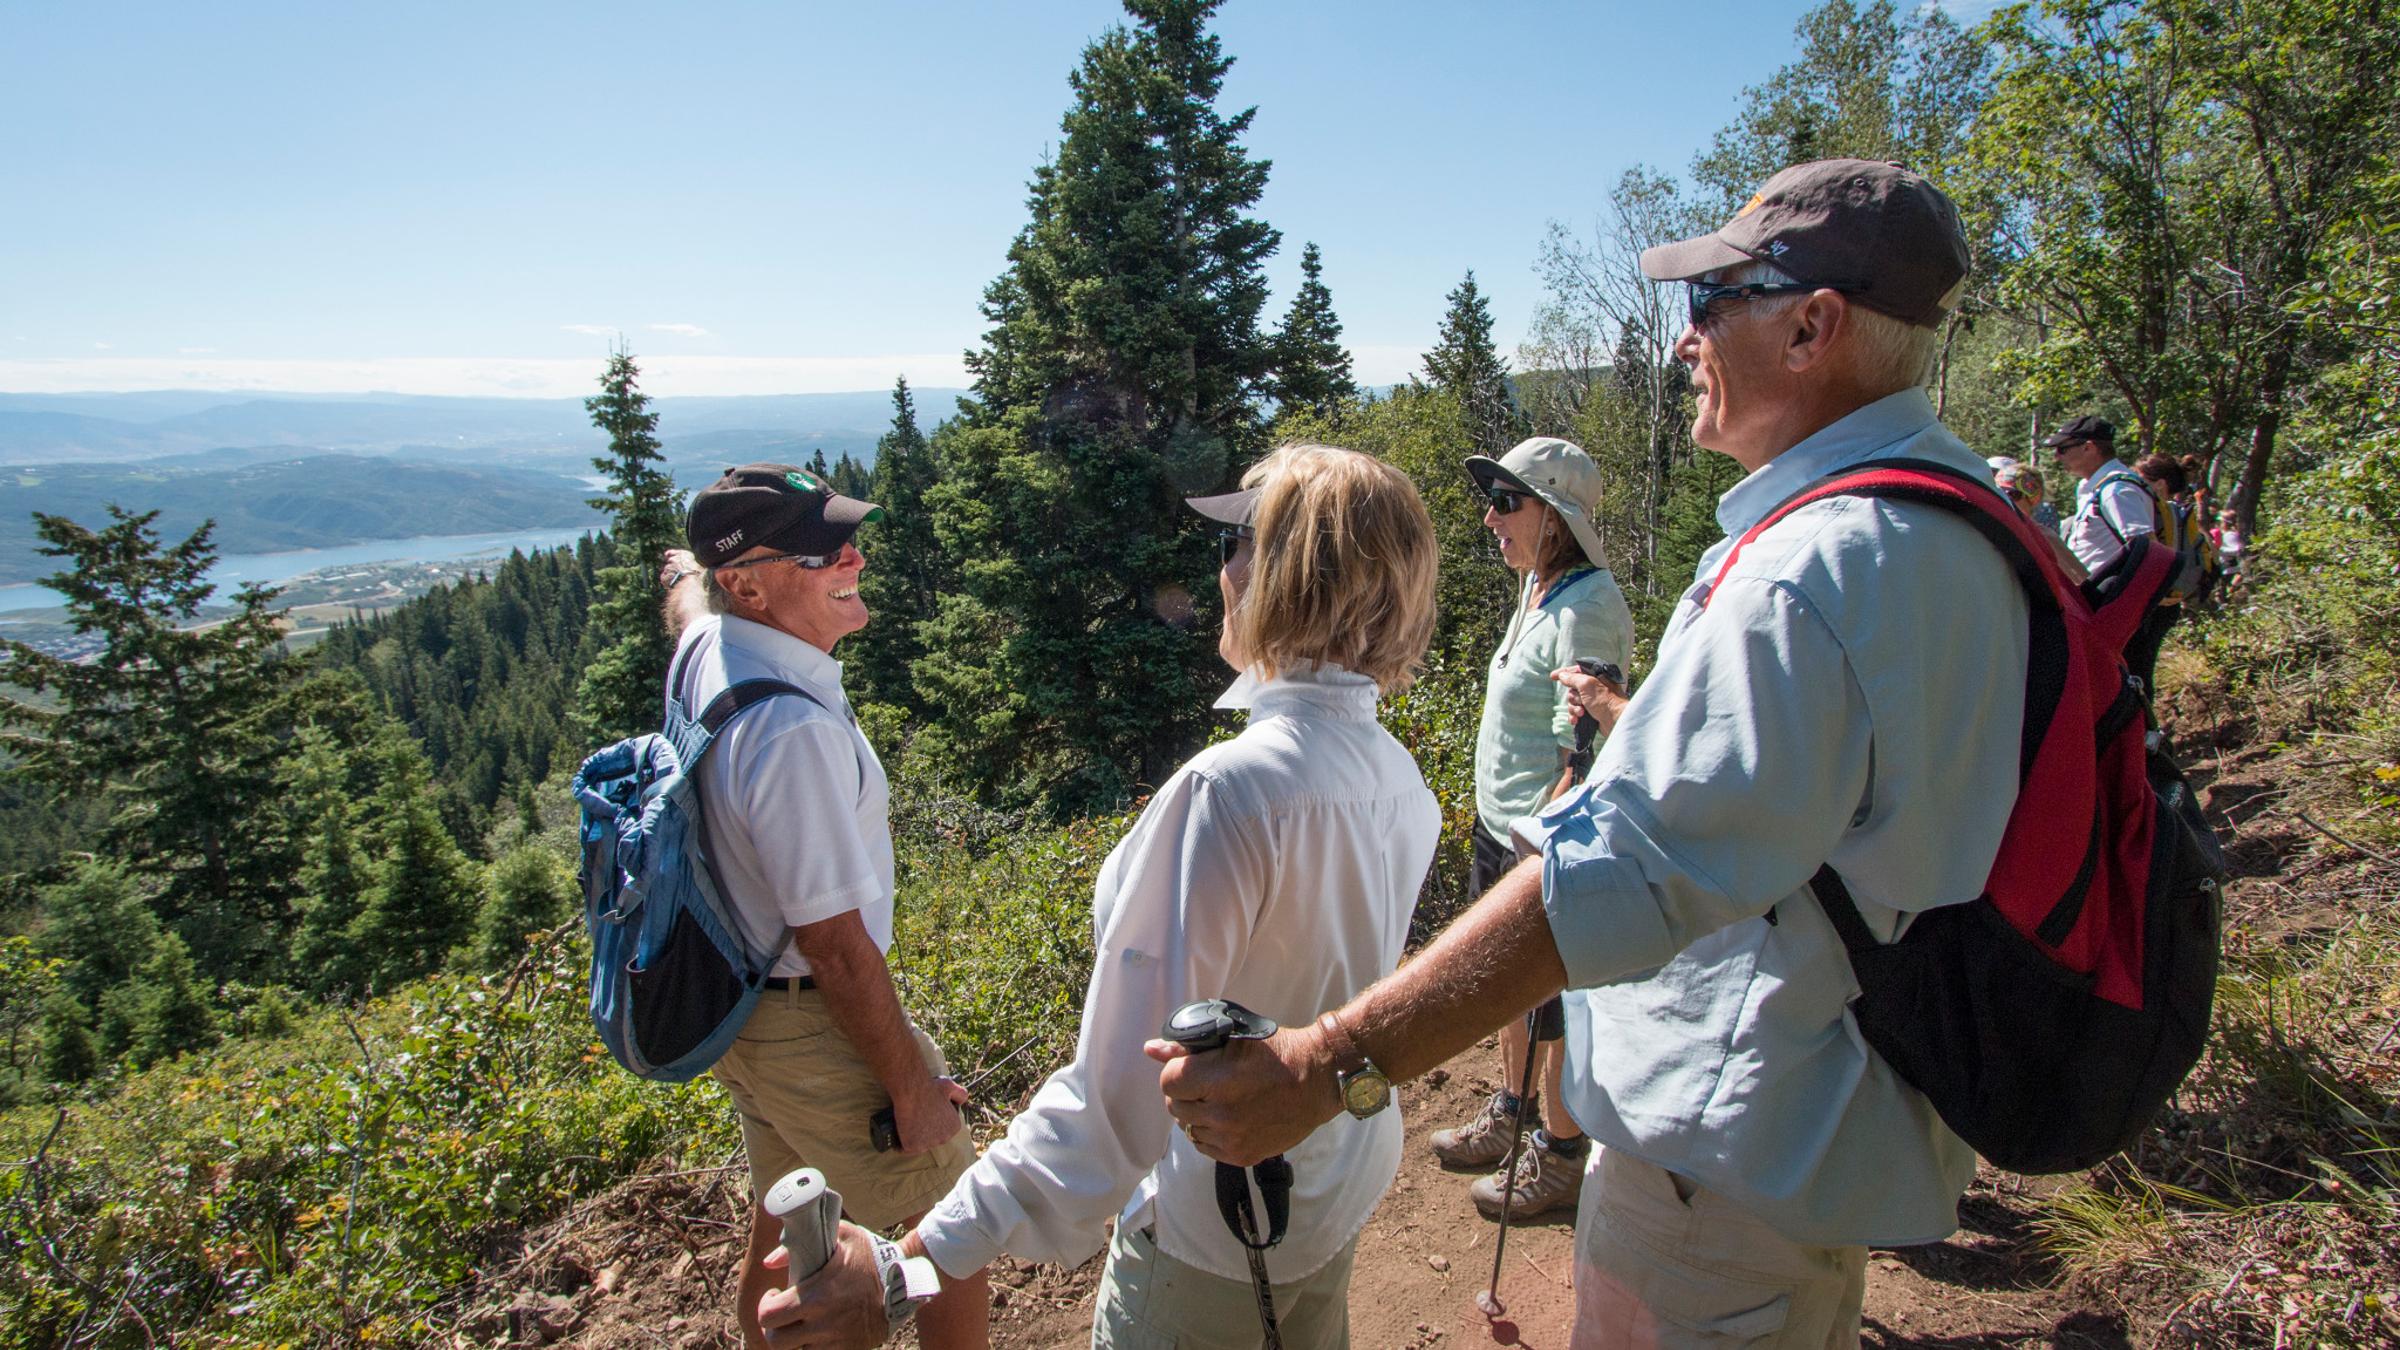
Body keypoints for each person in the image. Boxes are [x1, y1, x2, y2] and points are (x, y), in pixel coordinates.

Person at [1155, 159, 2025, 1348]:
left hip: (1725, 1159)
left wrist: (1321, 1065)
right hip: (1807, 1115)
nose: (1685, 341)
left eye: (1712, 304)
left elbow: (1624, 872)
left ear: (1815, 326)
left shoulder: (1815, 573)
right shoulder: (1958, 524)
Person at [761, 443, 1442, 1350]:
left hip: (1218, 1226)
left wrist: (909, 1263)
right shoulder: (1400, 777)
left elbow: (1114, 1106)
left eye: (1241, 545)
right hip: (1335, 1182)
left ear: (1290, 577)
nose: (1223, 570)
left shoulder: (1228, 794)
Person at [660, 463, 987, 1350]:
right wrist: (911, 1090)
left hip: (749, 1018)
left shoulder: (709, 647)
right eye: (822, 551)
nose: (854, 558)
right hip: (813, 1020)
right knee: (951, 1225)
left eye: (848, 538)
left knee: (790, 1216)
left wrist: (681, 574)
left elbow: (688, 606)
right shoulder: (791, 732)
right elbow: (835, 945)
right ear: (749, 584)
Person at [1431, 436, 1633, 1222]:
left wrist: (1542, 843)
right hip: (1499, 825)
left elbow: (1580, 745)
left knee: (1552, 997)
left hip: (1537, 841)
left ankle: (1559, 1152)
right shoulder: (1541, 588)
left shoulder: (1589, 607)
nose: (1490, 519)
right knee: (1510, 990)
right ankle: (1512, 1110)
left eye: (1507, 502)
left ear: (1556, 515)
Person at [1993, 458, 2085, 580]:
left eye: (2012, 494)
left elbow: (2081, 580)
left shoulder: (2044, 536)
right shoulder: (1991, 530)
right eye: (1999, 492)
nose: (2005, 499)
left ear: (2031, 499)